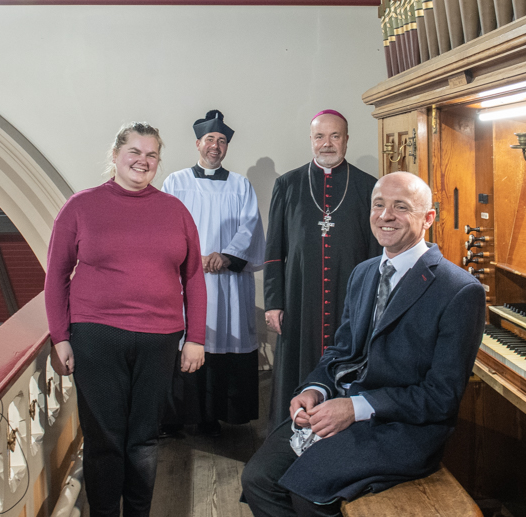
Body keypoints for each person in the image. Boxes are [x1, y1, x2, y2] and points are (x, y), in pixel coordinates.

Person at [241, 171, 487, 517]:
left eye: (401, 207)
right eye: (379, 205)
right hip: (342, 406)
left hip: (399, 427)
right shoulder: (365, 272)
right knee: (257, 478)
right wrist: (316, 389)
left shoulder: (459, 290)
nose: (386, 216)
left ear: (428, 218)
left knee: (306, 490)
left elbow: (441, 398)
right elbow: (342, 352)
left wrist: (355, 408)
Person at [44, 122, 206, 517]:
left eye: (151, 155)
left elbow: (194, 278)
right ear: (116, 156)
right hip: (96, 337)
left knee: (144, 441)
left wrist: (196, 338)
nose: (143, 161)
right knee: (104, 439)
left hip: (160, 338)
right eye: (135, 152)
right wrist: (60, 337)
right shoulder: (80, 206)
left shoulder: (175, 210)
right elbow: (55, 276)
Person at [264, 109, 382, 429]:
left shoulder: (368, 186)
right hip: (300, 295)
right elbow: (274, 249)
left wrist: (374, 303)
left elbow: (375, 252)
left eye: (334, 136)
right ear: (311, 140)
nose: (326, 144)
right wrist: (274, 302)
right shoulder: (287, 184)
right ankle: (289, 430)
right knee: (297, 364)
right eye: (320, 137)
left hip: (350, 297)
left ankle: (341, 429)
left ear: (346, 139)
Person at [160, 110, 266, 437]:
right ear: (197, 143)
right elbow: (166, 227)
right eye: (210, 140)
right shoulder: (175, 183)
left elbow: (250, 227)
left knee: (224, 340)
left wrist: (226, 255)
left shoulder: (240, 185)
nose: (215, 146)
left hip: (229, 282)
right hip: (188, 278)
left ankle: (215, 415)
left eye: (222, 141)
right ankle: (178, 416)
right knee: (185, 341)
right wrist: (196, 257)